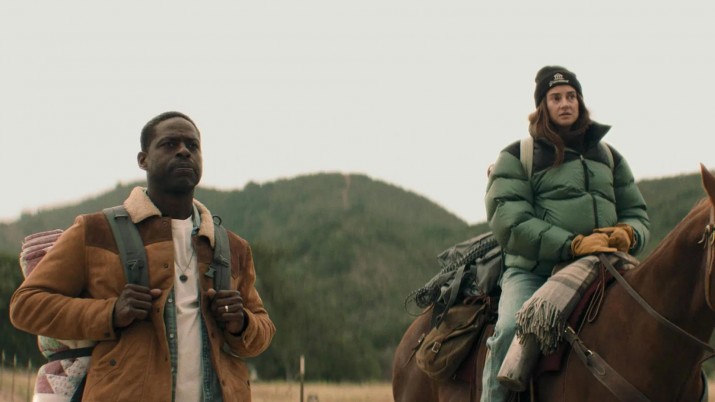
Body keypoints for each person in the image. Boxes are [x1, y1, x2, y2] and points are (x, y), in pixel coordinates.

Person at [10, 111, 276, 401]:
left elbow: (263, 331)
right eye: (169, 144)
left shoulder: (234, 247)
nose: (184, 151)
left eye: (192, 145)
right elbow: (25, 305)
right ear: (143, 160)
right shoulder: (94, 231)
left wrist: (242, 322)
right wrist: (110, 312)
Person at [480, 66, 650, 401]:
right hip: (534, 271)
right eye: (555, 97)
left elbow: (636, 211)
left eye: (571, 96)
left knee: (654, 319)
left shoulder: (609, 156)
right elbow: (510, 222)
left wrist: (629, 235)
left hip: (605, 265)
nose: (565, 103)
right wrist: (573, 244)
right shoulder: (517, 156)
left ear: (580, 102)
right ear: (542, 106)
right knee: (511, 330)